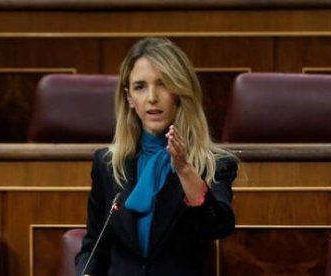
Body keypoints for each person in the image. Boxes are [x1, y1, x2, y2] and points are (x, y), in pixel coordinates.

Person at [75, 37, 238, 276]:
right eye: (140, 87)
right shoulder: (108, 164)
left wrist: (184, 170)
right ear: (129, 97)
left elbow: (217, 227)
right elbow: (94, 246)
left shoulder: (213, 163)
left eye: (163, 84)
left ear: (180, 92)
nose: (152, 97)